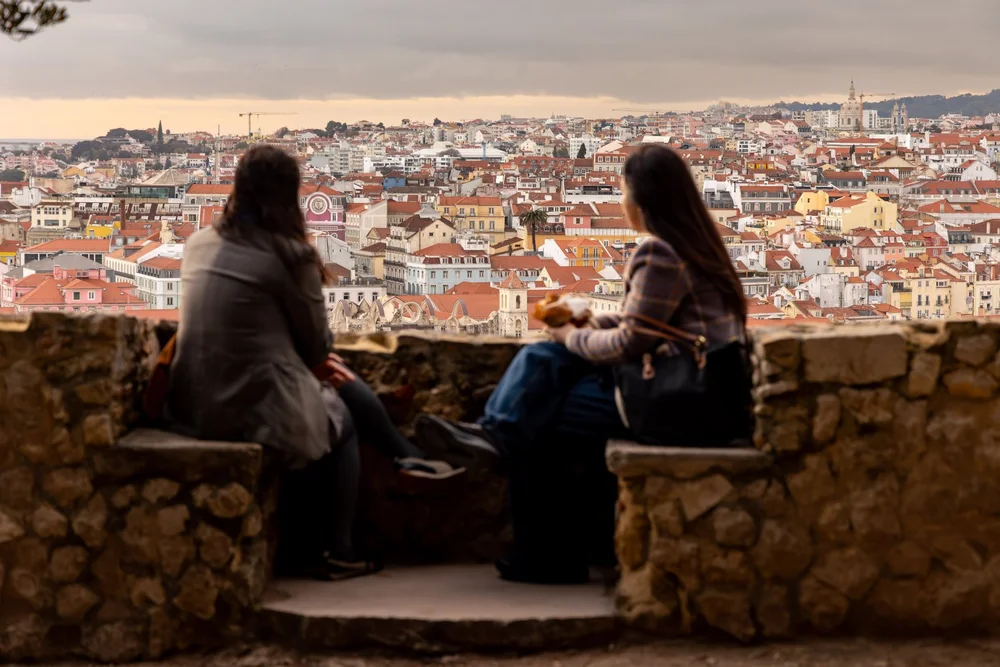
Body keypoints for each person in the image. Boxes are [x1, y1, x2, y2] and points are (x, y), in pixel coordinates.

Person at [418, 144, 752, 585]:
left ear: (642, 199)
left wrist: (572, 334)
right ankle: (510, 462)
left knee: (541, 412)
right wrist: (590, 320)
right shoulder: (701, 247)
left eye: (623, 191)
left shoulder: (660, 254)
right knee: (545, 365)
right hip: (708, 395)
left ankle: (529, 515)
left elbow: (632, 342)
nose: (621, 202)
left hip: (676, 402)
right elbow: (650, 323)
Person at [165, 145, 461, 581]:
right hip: (246, 405)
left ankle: (407, 456)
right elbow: (316, 349)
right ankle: (341, 546)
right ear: (289, 195)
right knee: (340, 419)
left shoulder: (199, 243)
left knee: (334, 379)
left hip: (188, 403)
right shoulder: (290, 255)